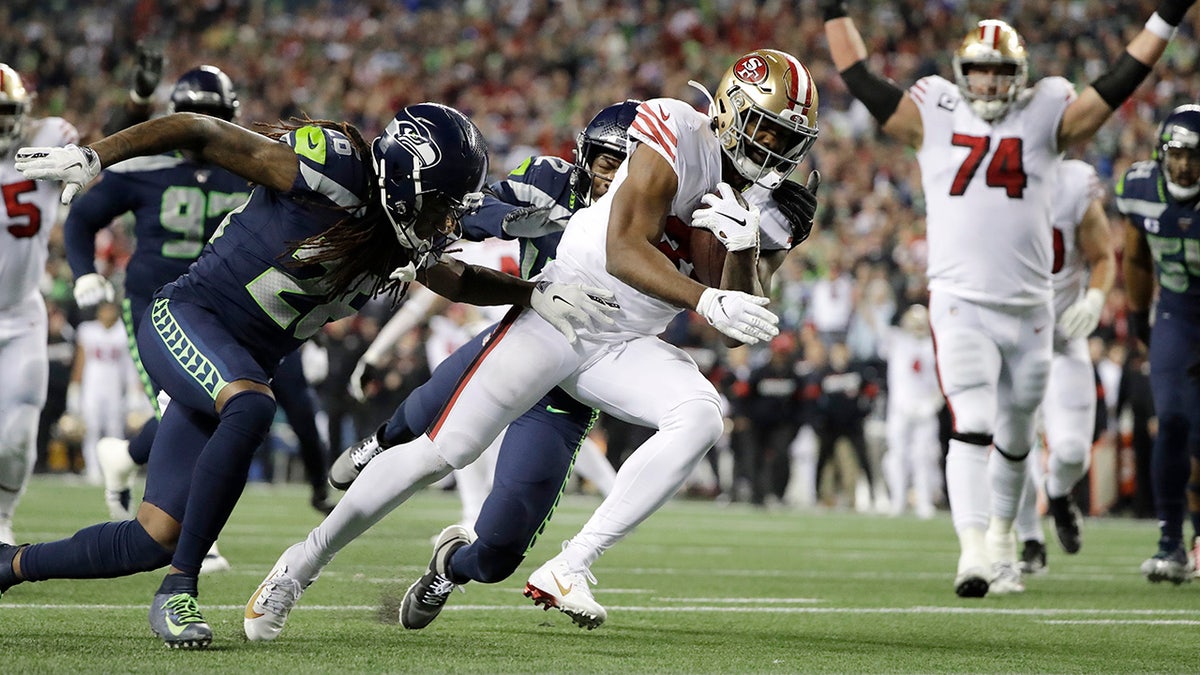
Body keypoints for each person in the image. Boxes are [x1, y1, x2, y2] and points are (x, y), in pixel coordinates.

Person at [242, 48, 818, 639]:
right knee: (440, 452)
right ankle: (300, 564)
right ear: (728, 109)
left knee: (700, 416)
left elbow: (740, 314)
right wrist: (704, 298)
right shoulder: (676, 127)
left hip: (624, 345)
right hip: (560, 313)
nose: (773, 146)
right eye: (765, 126)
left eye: (787, 136)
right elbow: (624, 250)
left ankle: (573, 563)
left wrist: (761, 248)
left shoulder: (763, 201)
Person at [1, 101, 615, 649]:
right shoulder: (332, 173)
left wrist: (527, 293)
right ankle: (179, 589)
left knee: (149, 537)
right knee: (251, 406)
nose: (448, 222)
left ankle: (9, 565)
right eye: (440, 206)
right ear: (405, 181)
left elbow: (451, 276)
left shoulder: (399, 233)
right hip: (188, 317)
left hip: (239, 362)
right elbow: (199, 128)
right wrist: (95, 155)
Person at [822, 0, 1194, 597]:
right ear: (960, 72)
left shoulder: (1048, 114)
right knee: (973, 419)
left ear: (1017, 75)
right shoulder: (934, 115)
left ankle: (1001, 541)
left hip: (1031, 309)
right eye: (978, 71)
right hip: (961, 299)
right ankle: (972, 550)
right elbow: (859, 77)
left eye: (998, 71)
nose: (988, 82)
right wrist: (832, 11)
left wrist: (1164, 20)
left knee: (1019, 435)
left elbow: (1120, 80)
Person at [64, 65, 337, 533]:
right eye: (192, 114)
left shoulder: (249, 165)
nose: (199, 122)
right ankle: (188, 528)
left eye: (209, 115)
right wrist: (84, 271)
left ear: (229, 116)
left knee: (290, 396)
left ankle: (318, 486)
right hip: (161, 302)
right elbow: (83, 216)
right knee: (189, 405)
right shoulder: (147, 167)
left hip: (240, 306)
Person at [1013, 158, 1114, 574]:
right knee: (1011, 446)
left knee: (1072, 450)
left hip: (1063, 337)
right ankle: (1029, 540)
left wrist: (1094, 299)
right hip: (1013, 338)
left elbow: (1104, 256)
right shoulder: (987, 177)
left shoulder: (1073, 182)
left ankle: (1057, 493)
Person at [1120, 104, 1200, 584]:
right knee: (1169, 422)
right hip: (1174, 312)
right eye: (1176, 153)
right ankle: (1171, 544)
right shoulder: (1139, 187)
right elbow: (1134, 258)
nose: (1185, 165)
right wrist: (1137, 320)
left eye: (1195, 155)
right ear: (1161, 153)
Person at [0, 64, 80, 546]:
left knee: (15, 435)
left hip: (20, 315)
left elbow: (94, 160)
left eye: (4, 113)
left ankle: (2, 517)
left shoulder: (48, 140)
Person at [881, 304, 943, 520]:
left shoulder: (936, 345)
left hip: (925, 409)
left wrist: (934, 403)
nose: (917, 326)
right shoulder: (897, 341)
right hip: (900, 408)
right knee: (897, 455)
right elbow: (876, 323)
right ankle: (897, 500)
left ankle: (924, 501)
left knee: (925, 456)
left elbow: (943, 379)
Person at [70, 301, 139, 484]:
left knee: (115, 430)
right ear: (98, 312)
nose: (108, 313)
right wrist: (75, 389)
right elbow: (80, 360)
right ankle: (93, 469)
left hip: (114, 388)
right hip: (92, 387)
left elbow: (130, 365)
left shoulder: (122, 332)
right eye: (105, 309)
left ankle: (117, 470)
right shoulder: (87, 330)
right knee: (91, 428)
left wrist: (134, 391)